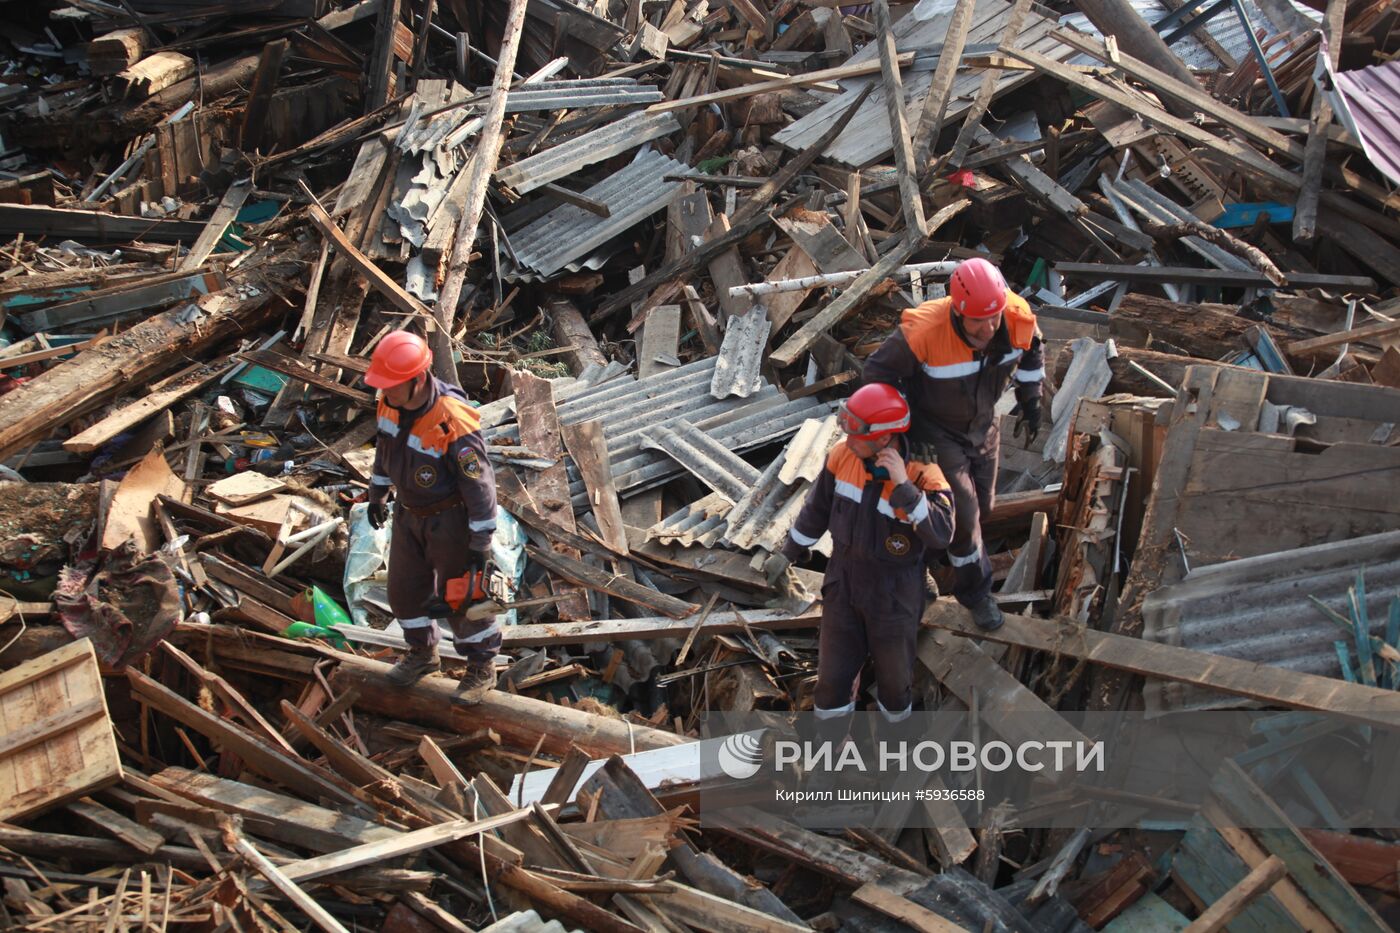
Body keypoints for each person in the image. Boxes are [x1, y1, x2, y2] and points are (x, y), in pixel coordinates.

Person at [766, 383, 955, 745]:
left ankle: (893, 754)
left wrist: (903, 486)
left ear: (884, 438)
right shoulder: (841, 457)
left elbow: (941, 534)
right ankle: (831, 753)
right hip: (844, 585)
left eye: (856, 433)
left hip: (895, 594)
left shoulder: (922, 475)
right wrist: (787, 552)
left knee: (894, 685)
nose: (847, 438)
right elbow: (816, 510)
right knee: (832, 680)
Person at [862, 257, 1044, 631]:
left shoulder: (1016, 317)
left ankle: (918, 559)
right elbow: (875, 375)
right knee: (963, 515)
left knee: (984, 507)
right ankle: (976, 595)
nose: (989, 328)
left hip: (982, 427)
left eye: (994, 317)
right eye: (978, 320)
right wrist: (899, 434)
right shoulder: (926, 331)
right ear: (958, 311)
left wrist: (1032, 400)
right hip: (934, 431)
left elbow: (1032, 352)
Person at [363, 330, 500, 701]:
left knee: (462, 597)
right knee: (404, 591)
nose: (385, 392)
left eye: (392, 385)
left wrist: (481, 542)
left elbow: (480, 483)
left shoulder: (452, 418)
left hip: (449, 520)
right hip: (409, 515)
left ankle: (482, 667)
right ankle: (422, 653)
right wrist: (377, 494)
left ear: (418, 380)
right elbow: (384, 452)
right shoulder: (390, 403)